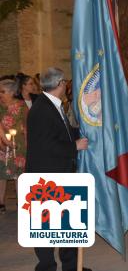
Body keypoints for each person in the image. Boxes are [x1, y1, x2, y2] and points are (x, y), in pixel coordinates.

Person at [25, 67, 90, 271]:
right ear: (60, 84)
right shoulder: (42, 109)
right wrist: (75, 146)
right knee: (46, 228)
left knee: (66, 224)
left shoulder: (52, 104)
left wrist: (83, 131)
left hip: (60, 171)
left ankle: (71, 267)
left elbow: (63, 132)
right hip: (46, 175)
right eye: (66, 82)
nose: (67, 86)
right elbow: (46, 145)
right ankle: (46, 267)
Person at [0, 79, 28, 213]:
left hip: (19, 144)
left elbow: (28, 126)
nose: (0, 94)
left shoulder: (22, 106)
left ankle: (21, 200)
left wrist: (28, 144)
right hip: (2, 143)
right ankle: (0, 202)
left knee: (19, 173)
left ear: (11, 92)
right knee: (1, 173)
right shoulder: (0, 106)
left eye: (2, 91)